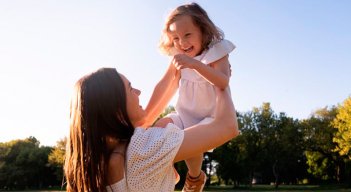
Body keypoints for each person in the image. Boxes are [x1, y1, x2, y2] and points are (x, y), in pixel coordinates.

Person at [64, 68, 238, 192]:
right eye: (130, 88)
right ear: (116, 109)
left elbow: (149, 115)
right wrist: (220, 81)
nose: (138, 92)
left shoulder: (91, 164)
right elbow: (228, 127)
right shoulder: (141, 150)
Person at [143, 3, 235, 191]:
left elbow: (223, 81)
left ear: (203, 30)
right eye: (175, 38)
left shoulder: (217, 51)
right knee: (157, 129)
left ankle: (195, 178)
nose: (182, 43)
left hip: (210, 118)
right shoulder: (178, 56)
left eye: (187, 35)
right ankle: (167, 171)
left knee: (188, 140)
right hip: (184, 115)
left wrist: (193, 64)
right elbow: (164, 85)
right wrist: (145, 118)